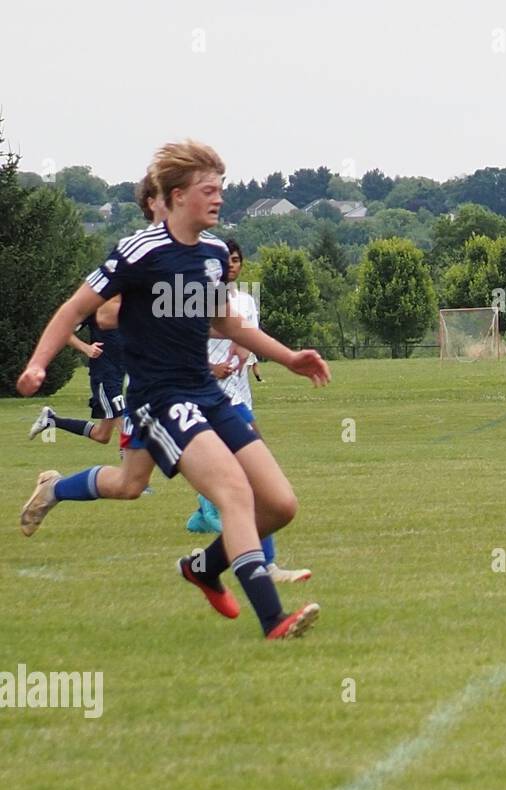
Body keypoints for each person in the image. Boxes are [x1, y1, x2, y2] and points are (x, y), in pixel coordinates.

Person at [17, 140, 330, 640]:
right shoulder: (139, 252)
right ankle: (274, 619)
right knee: (232, 493)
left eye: (221, 190)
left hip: (206, 393)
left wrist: (289, 356)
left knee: (279, 505)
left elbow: (228, 324)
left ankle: (203, 568)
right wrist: (38, 363)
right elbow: (79, 310)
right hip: (159, 401)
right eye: (210, 190)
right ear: (179, 195)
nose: (219, 199)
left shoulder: (211, 254)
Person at [186, 238, 311, 585]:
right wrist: (212, 368)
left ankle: (205, 521)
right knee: (129, 480)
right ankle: (261, 564)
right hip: (203, 397)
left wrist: (239, 357)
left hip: (237, 397)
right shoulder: (192, 296)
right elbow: (182, 343)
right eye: (226, 260)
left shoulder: (243, 300)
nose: (231, 265)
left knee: (250, 474)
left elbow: (245, 336)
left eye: (236, 260)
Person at [27, 176, 161, 445]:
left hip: (123, 372)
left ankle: (53, 420)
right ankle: (131, 474)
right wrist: (86, 349)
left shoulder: (131, 303)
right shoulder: (97, 302)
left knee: (102, 435)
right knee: (127, 416)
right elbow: (64, 329)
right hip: (105, 374)